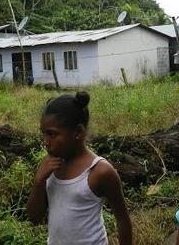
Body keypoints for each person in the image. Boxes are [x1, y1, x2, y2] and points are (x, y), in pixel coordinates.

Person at [27, 91, 132, 245]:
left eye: (52, 134)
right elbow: (34, 218)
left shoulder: (99, 171)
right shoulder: (50, 166)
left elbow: (123, 220)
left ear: (78, 132)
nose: (46, 141)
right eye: (44, 133)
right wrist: (39, 181)